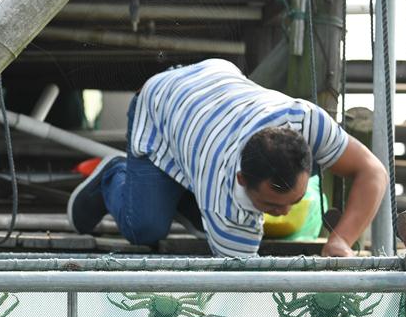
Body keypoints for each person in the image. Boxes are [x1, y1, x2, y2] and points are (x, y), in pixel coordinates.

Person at [66, 59, 387, 257]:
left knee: (191, 216)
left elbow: (373, 171)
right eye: (272, 206)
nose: (285, 212)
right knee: (146, 229)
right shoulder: (224, 203)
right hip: (162, 101)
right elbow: (241, 289)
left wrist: (341, 240)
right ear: (241, 180)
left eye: (295, 199)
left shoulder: (309, 121)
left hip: (216, 83)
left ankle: (174, 195)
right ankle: (112, 176)